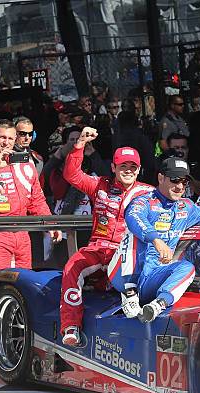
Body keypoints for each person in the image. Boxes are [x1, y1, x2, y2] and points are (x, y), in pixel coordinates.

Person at [108, 157, 200, 323]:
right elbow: (133, 216)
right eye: (175, 180)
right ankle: (129, 292)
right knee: (133, 234)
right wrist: (156, 240)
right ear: (161, 178)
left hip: (153, 279)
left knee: (187, 267)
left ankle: (157, 305)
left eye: (184, 182)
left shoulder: (186, 206)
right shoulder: (143, 201)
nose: (180, 187)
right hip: (124, 273)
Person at [60, 126, 153, 346]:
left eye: (133, 167)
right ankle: (70, 327)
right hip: (96, 250)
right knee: (72, 267)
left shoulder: (149, 193)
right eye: (123, 166)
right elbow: (71, 174)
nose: (128, 170)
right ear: (113, 166)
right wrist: (80, 144)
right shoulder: (99, 185)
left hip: (124, 255)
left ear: (139, 169)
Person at [0, 119, 61, 271]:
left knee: (24, 282)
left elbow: (37, 200)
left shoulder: (25, 163)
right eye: (2, 137)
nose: (6, 142)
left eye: (10, 138)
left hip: (22, 231)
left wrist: (50, 223)